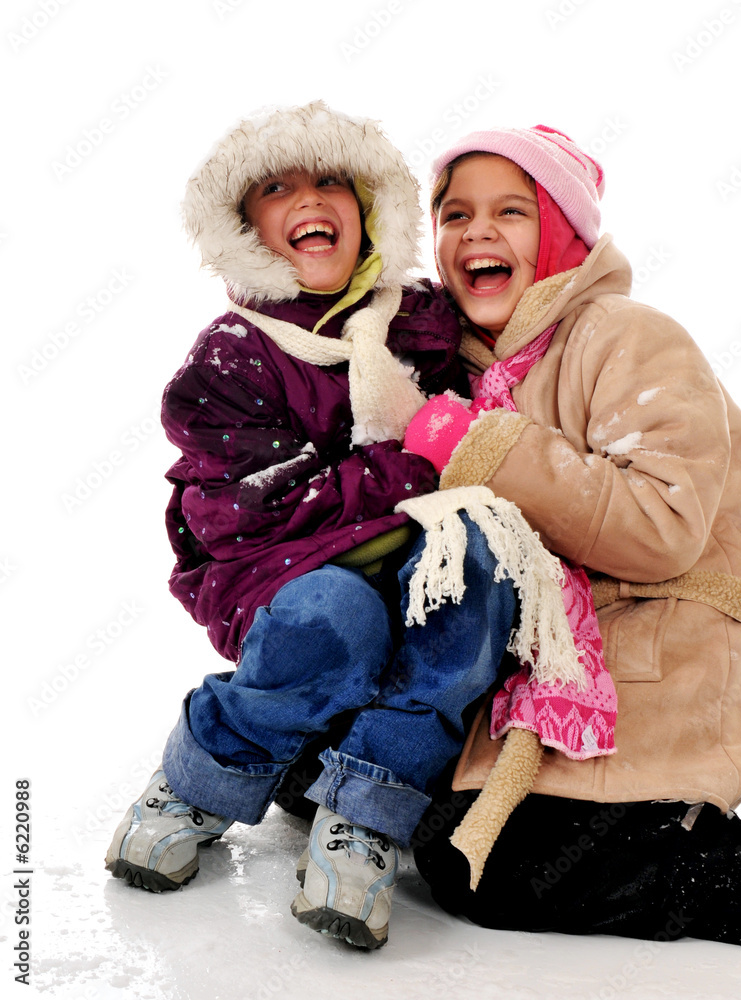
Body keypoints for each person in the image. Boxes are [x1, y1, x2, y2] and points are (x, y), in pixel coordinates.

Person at [104, 100, 528, 951]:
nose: (310, 199)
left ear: (368, 208)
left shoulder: (420, 324)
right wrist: (417, 460)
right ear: (244, 228)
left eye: (332, 180)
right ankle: (202, 779)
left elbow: (483, 408)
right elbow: (260, 506)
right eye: (277, 188)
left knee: (478, 570)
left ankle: (366, 809)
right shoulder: (232, 356)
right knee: (336, 616)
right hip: (274, 564)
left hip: (407, 555)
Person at [402, 123, 741, 950]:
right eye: (455, 214)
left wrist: (487, 449)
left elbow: (662, 526)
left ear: (561, 232)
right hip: (537, 669)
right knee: (420, 824)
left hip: (663, 653)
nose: (477, 231)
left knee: (495, 865)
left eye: (511, 211)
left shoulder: (625, 335)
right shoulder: (465, 373)